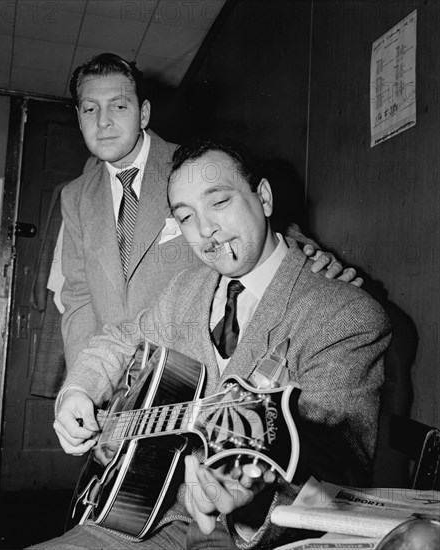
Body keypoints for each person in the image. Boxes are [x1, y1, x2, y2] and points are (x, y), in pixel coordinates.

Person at [36, 138, 391, 550]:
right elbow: (120, 337)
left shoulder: (343, 314)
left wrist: (252, 498)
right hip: (149, 516)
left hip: (260, 535)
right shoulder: (186, 289)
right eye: (186, 217)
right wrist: (78, 391)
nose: (205, 230)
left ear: (263, 197)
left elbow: (339, 466)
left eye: (219, 202)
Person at [60, 53, 360, 369]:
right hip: (113, 374)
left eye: (118, 106)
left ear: (144, 113)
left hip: (191, 371)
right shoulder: (75, 196)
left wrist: (317, 262)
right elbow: (78, 298)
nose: (103, 121)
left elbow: (265, 226)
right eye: (90, 109)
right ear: (79, 116)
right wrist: (85, 381)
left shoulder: (194, 165)